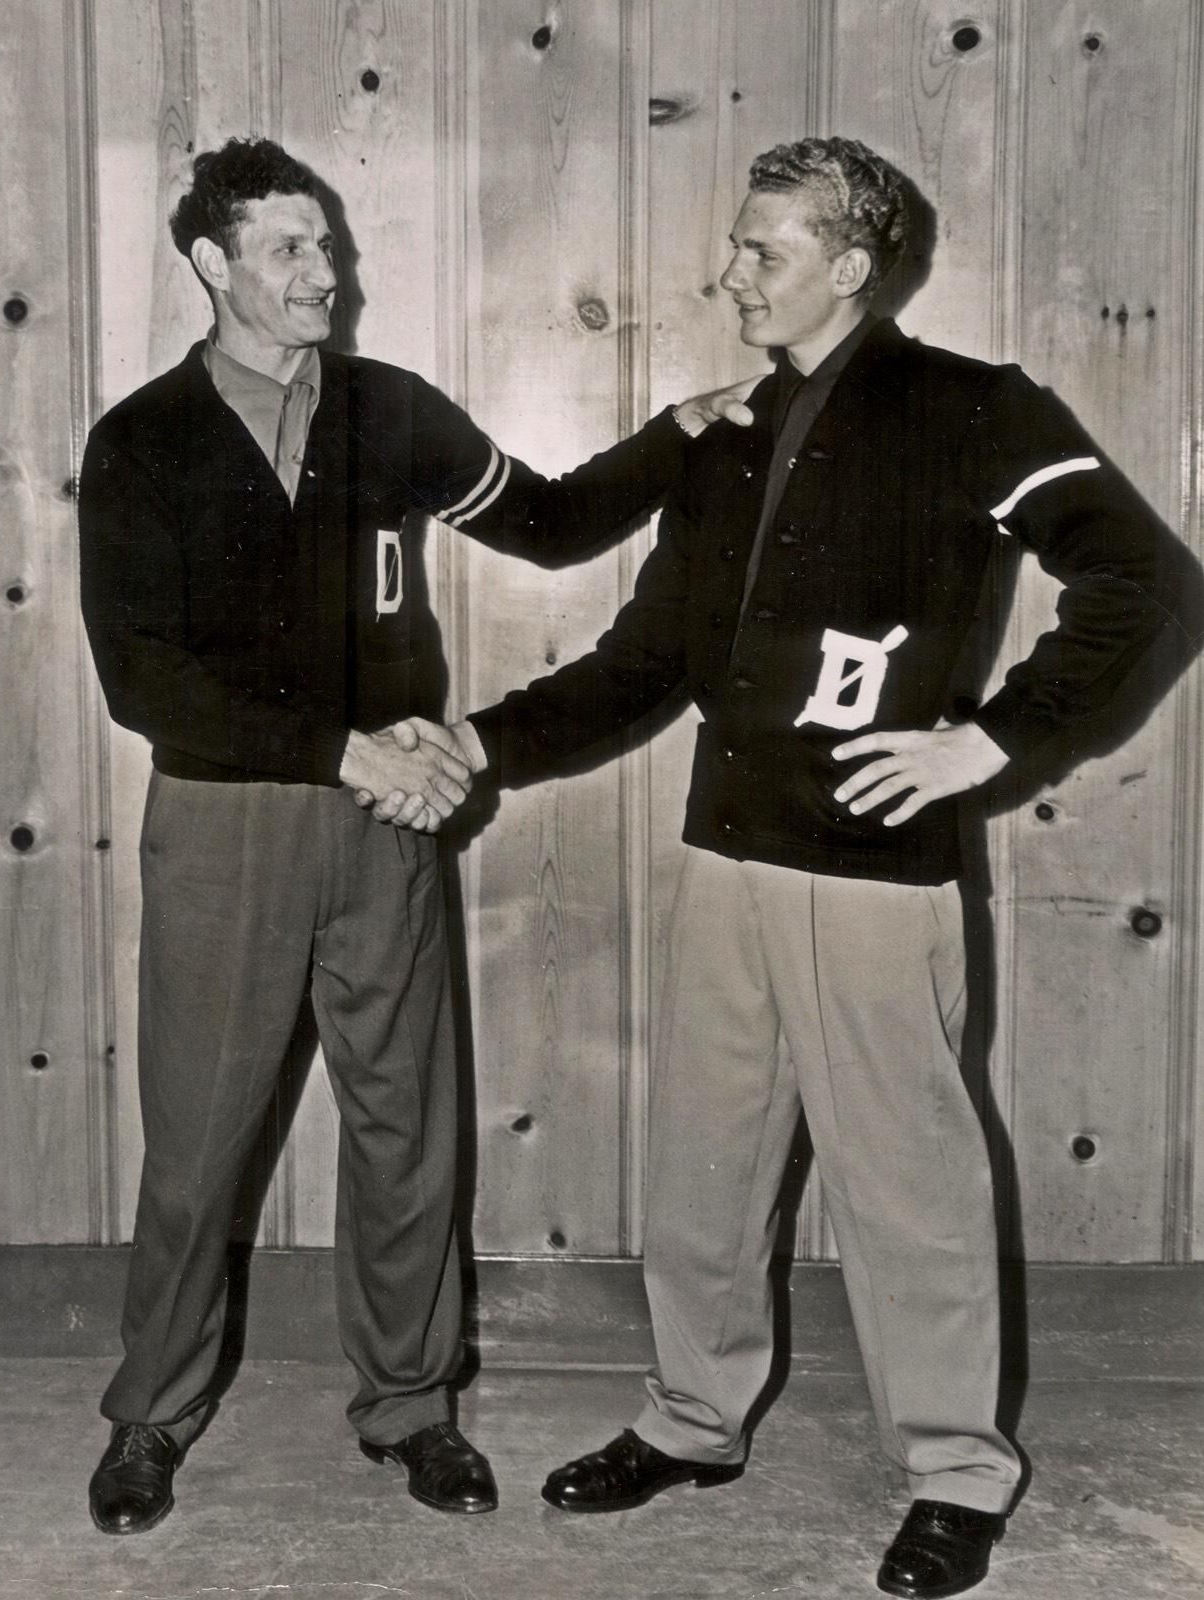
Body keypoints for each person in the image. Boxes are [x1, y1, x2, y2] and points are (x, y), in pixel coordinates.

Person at [414, 136, 1184, 1597]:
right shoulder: (724, 436)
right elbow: (647, 659)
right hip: (727, 854)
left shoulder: (976, 407)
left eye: (761, 251)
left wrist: (992, 740)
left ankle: (955, 1472)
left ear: (851, 265)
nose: (731, 274)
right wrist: (478, 741)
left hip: (873, 876)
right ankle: (693, 1421)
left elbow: (1146, 582)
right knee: (702, 1173)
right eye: (736, 245)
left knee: (909, 1190)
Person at [77, 135, 752, 1536]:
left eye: (326, 244)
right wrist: (342, 750)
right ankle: (152, 1412)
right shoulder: (142, 438)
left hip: (388, 827)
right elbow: (142, 681)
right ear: (210, 264)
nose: (322, 271)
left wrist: (678, 434)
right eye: (288, 247)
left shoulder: (390, 408)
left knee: (406, 1132)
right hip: (228, 825)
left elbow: (553, 525)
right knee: (197, 1144)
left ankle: (411, 1407)